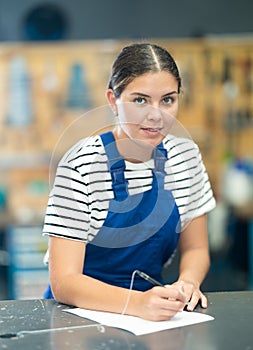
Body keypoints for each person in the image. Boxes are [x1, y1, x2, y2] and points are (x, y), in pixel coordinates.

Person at [42, 42, 216, 322]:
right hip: (77, 319)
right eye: (140, 100)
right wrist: (137, 303)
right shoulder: (81, 165)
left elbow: (196, 248)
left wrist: (188, 282)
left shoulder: (186, 157)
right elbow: (64, 281)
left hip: (154, 314)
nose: (156, 115)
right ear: (113, 100)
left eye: (168, 100)